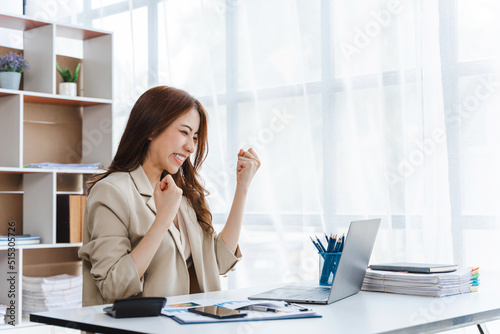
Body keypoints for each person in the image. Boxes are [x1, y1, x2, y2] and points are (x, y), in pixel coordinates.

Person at [78, 86, 260, 306]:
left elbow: (217, 262)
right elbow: (114, 287)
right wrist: (163, 219)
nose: (191, 146)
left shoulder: (181, 194)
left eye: (194, 137)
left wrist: (243, 187)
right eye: (184, 132)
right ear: (151, 129)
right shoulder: (112, 192)